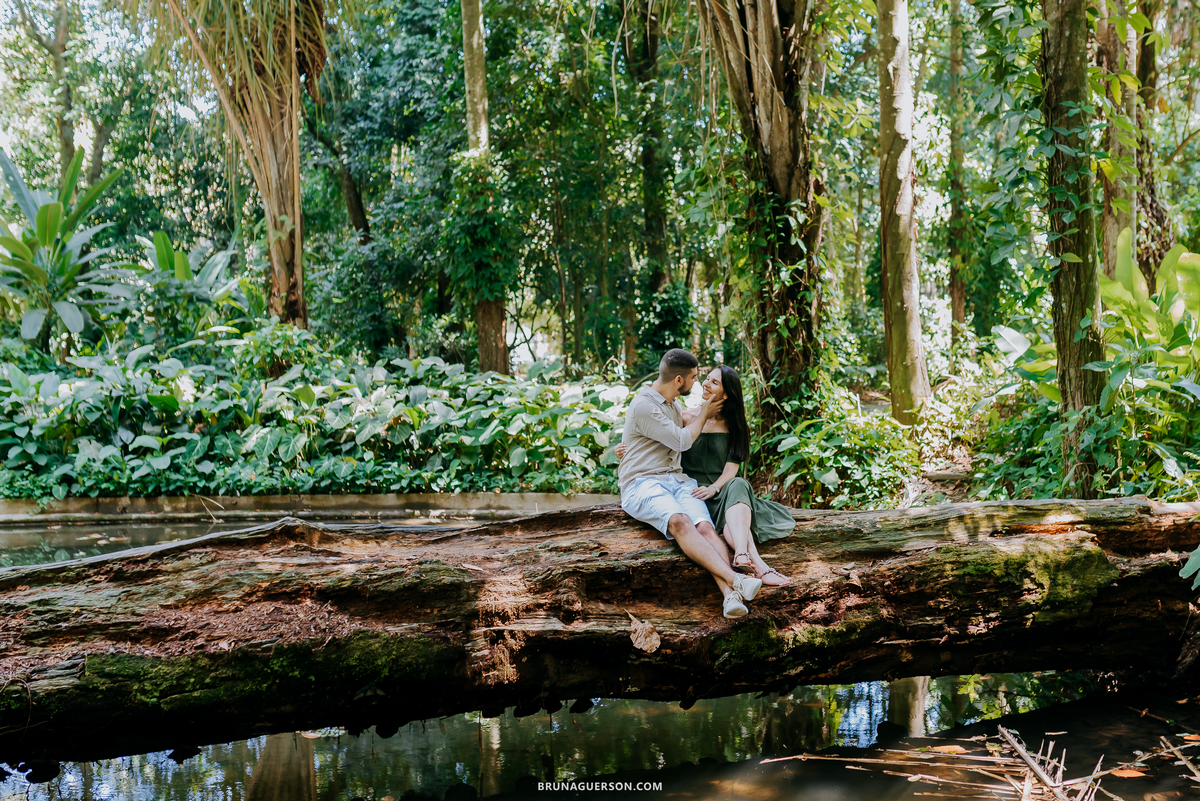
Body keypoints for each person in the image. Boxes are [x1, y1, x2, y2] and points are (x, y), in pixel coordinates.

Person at [618, 348, 763, 618]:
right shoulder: (645, 404)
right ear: (679, 381)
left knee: (706, 528)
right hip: (644, 482)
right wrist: (706, 411)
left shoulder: (673, 405)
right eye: (696, 377)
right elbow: (682, 440)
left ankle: (730, 597)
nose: (700, 383)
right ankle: (736, 582)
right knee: (681, 522)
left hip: (678, 480)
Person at [618, 365, 794, 586]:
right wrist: (625, 447)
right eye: (706, 379)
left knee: (739, 484)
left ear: (727, 393)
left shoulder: (735, 426)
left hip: (722, 488)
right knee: (734, 520)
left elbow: (731, 469)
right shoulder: (685, 416)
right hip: (690, 491)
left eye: (714, 382)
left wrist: (714, 488)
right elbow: (652, 431)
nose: (705, 383)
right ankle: (760, 567)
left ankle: (745, 557)